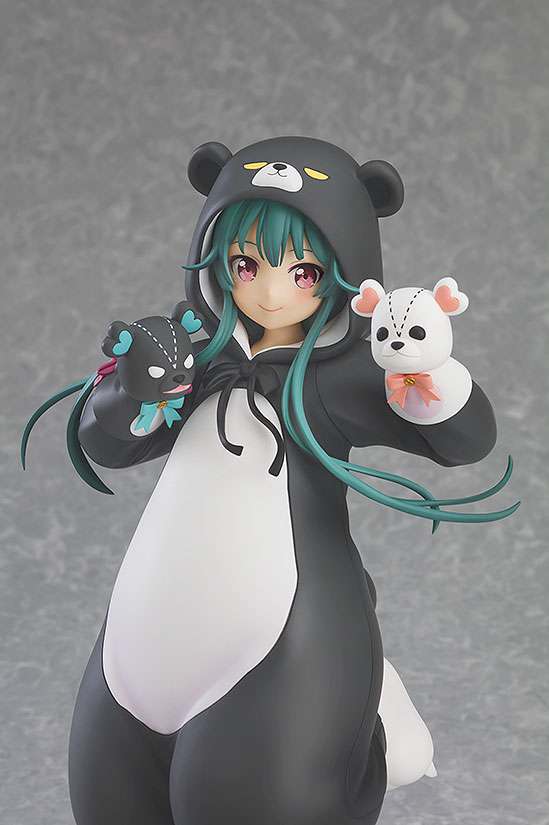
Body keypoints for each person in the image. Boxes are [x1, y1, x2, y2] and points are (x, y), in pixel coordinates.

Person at [23, 137, 518, 825]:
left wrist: (429, 378)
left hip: (279, 652)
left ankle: (368, 714)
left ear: (344, 272)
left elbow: (464, 440)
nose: (270, 290)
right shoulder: (190, 350)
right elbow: (105, 443)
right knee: (112, 802)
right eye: (246, 264)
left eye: (303, 271)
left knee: (254, 804)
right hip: (136, 649)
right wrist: (134, 387)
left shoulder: (341, 375)